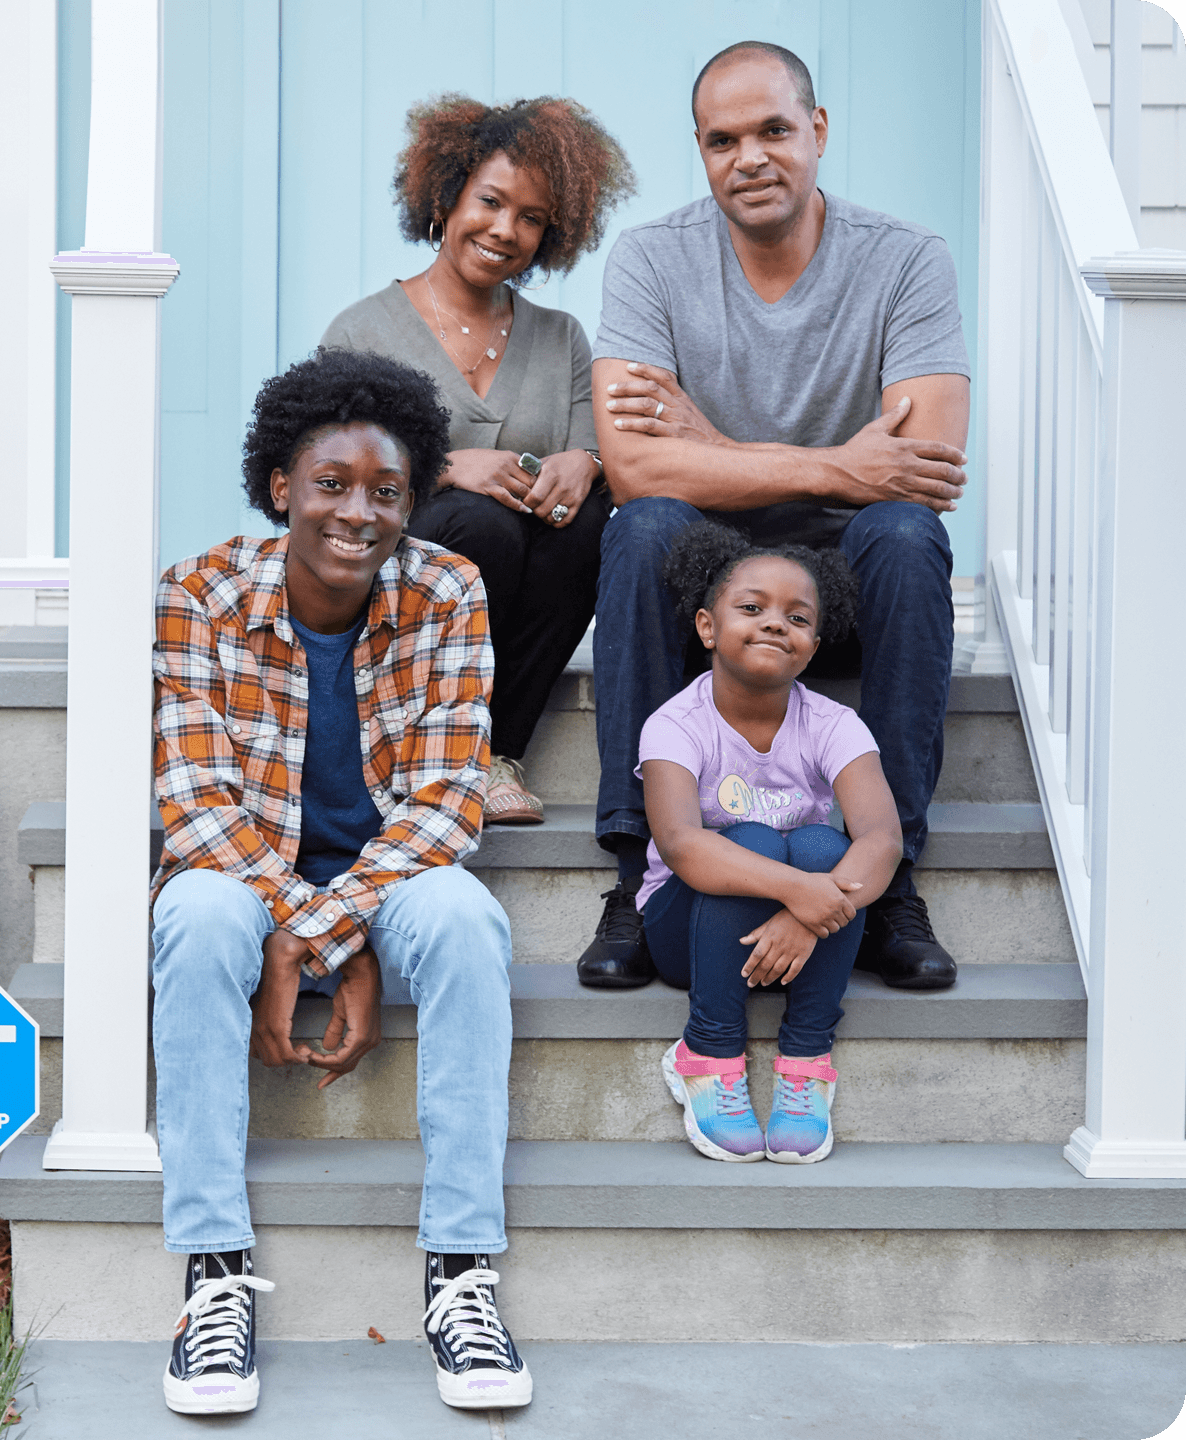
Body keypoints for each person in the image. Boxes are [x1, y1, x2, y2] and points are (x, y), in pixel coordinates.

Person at [149, 349, 531, 1417]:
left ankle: (461, 1271)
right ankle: (213, 1274)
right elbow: (195, 806)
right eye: (331, 485)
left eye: (387, 491)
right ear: (281, 486)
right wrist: (314, 935)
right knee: (194, 918)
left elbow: (449, 802)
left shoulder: (448, 589)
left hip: (393, 871)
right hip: (239, 865)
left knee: (465, 921)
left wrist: (323, 939)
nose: (359, 513)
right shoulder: (199, 594)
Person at [579, 40, 971, 992]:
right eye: (722, 140)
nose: (748, 157)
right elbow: (633, 471)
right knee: (639, 531)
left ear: (818, 131)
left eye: (772, 131)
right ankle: (637, 873)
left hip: (843, 565)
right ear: (702, 151)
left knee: (909, 537)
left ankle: (893, 876)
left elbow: (919, 476)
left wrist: (706, 444)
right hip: (710, 561)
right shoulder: (651, 260)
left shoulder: (907, 261)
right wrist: (842, 463)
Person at [322, 94, 635, 823]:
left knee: (592, 526)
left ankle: (498, 755)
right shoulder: (364, 330)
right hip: (400, 586)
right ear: (444, 199)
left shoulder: (561, 338)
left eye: (532, 218)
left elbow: (602, 442)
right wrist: (443, 466)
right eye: (491, 202)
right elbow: (327, 474)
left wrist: (586, 463)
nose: (507, 230)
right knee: (478, 524)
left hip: (531, 581)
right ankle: (435, 742)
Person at [643, 521, 901, 1163]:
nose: (774, 624)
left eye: (797, 617)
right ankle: (707, 1049)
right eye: (752, 608)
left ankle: (806, 1062)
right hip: (689, 937)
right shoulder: (676, 724)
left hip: (801, 940)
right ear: (708, 627)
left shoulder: (833, 724)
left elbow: (882, 838)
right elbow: (681, 845)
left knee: (822, 844)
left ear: (813, 646)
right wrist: (802, 896)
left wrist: (806, 917)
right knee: (752, 838)